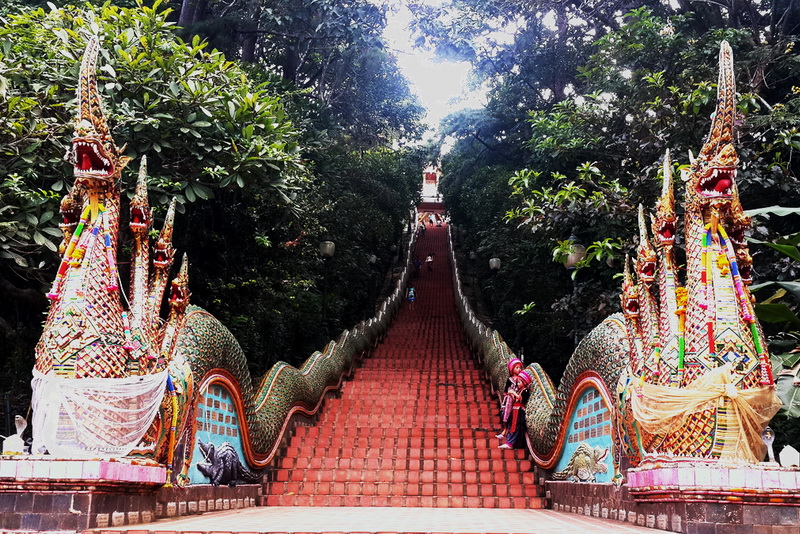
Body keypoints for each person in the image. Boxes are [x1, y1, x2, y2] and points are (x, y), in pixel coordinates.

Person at [499, 364, 532, 449]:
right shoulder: (519, 389)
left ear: (524, 383)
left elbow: (522, 400)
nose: (518, 384)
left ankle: (510, 443)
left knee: (515, 427)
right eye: (518, 382)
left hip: (519, 412)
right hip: (514, 411)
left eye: (520, 382)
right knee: (512, 426)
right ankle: (510, 442)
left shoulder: (525, 391)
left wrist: (514, 393)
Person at [496, 358, 523, 441]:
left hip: (517, 402)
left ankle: (508, 433)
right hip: (509, 400)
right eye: (516, 368)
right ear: (512, 369)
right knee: (505, 414)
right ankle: (504, 430)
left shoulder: (521, 379)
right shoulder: (510, 379)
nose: (519, 370)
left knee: (512, 417)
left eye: (520, 368)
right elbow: (506, 390)